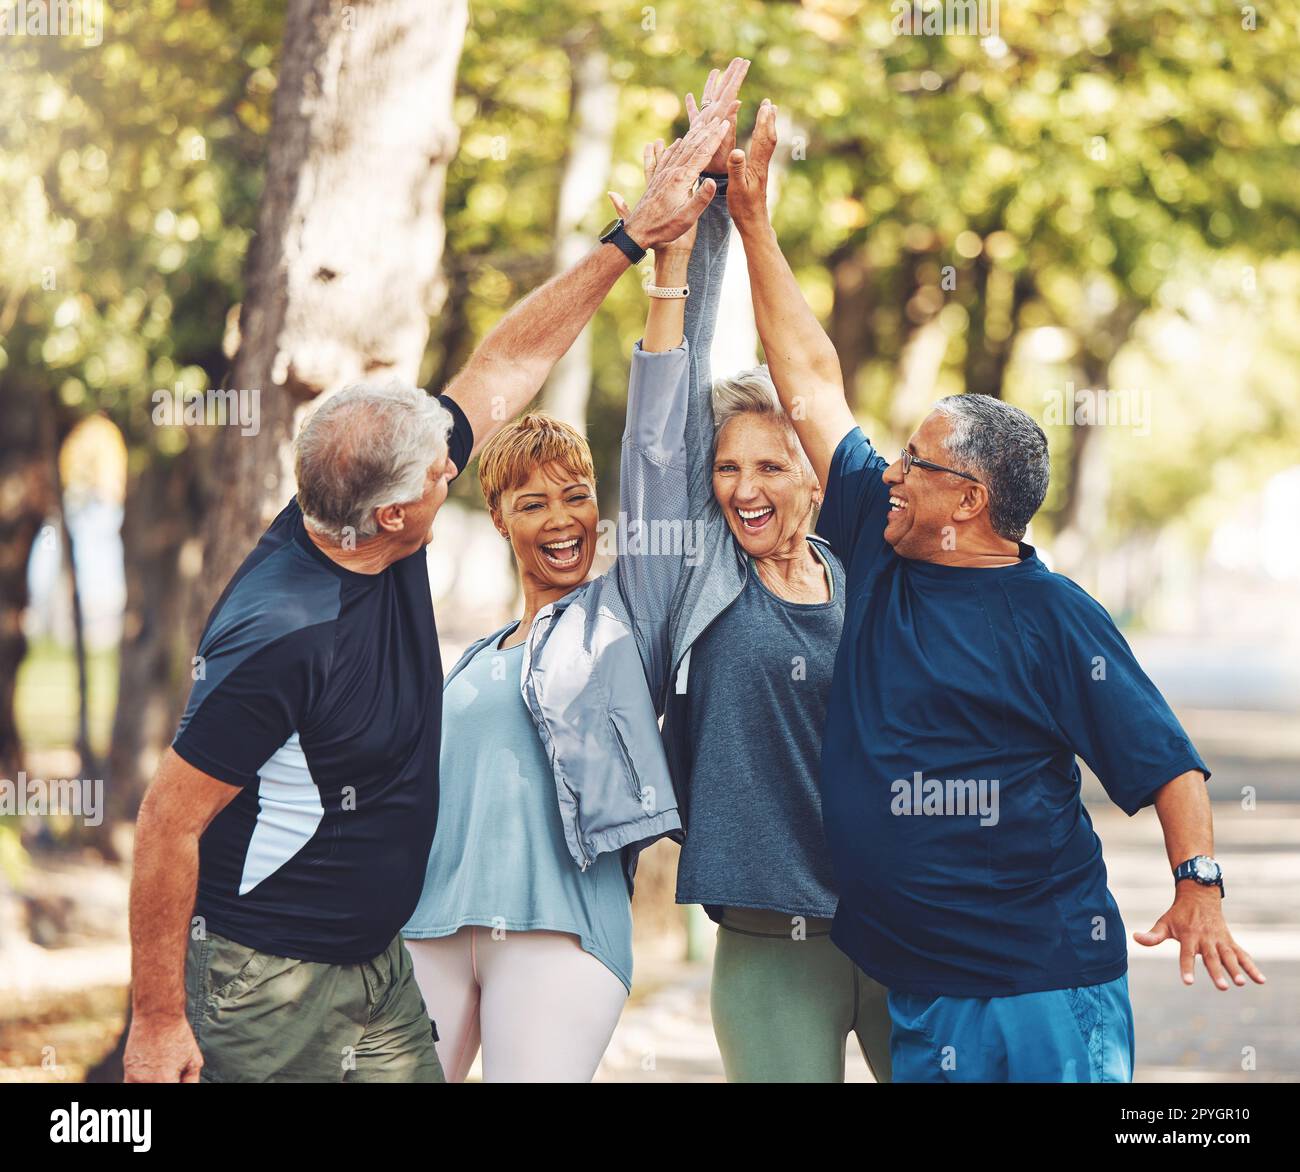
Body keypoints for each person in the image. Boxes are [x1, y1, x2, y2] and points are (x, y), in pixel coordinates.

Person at [121, 107, 733, 1084]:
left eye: (574, 494)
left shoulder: (363, 499)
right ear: (399, 517)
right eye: (471, 483)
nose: (460, 467)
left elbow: (511, 372)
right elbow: (167, 822)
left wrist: (639, 246)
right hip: (302, 966)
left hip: (451, 948)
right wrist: (156, 1020)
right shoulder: (290, 631)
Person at [724, 98, 1266, 1082]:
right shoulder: (881, 538)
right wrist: (753, 222)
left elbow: (1165, 764)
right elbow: (807, 377)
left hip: (1041, 984)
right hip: (924, 987)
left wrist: (1199, 881)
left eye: (913, 459)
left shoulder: (1053, 617)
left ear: (964, 498)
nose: (887, 468)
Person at [402, 61, 748, 1083]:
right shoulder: (469, 658)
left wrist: (671, 266)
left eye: (574, 494)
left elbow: (654, 448)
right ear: (497, 516)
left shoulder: (625, 616)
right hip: (427, 927)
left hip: (555, 936)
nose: (563, 517)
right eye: (531, 500)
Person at [655, 64, 891, 1083]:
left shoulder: (868, 570)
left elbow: (812, 380)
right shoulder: (702, 577)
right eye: (726, 468)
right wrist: (702, 222)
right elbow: (667, 412)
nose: (742, 488)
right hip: (767, 947)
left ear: (815, 470)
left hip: (902, 933)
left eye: (769, 464)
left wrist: (761, 224)